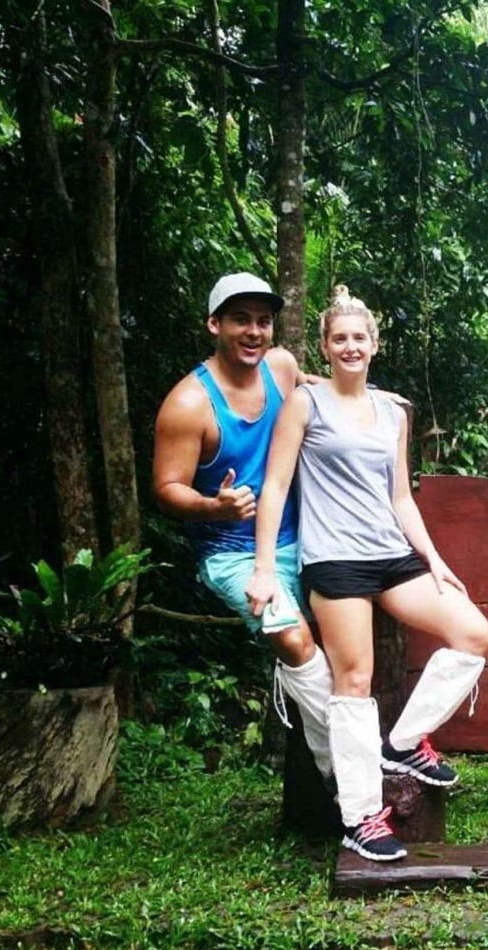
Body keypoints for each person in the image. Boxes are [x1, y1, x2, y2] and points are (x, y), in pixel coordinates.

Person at [249, 286, 488, 863]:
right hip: (334, 561)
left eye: (360, 337)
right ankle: (360, 817)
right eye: (340, 339)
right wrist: (264, 569)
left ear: (374, 345)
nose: (351, 346)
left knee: (474, 634)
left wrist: (434, 559)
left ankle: (405, 741)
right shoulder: (306, 406)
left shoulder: (392, 412)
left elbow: (401, 497)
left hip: (391, 556)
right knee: (353, 681)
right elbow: (276, 487)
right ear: (326, 348)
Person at [153, 273, 336, 790]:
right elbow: (167, 486)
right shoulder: (190, 403)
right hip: (233, 554)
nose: (254, 331)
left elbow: (318, 391)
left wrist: (376, 398)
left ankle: (336, 772)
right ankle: (346, 769)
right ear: (215, 324)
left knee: (347, 637)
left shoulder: (280, 367)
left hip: (303, 534)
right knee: (291, 638)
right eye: (241, 319)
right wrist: (216, 505)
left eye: (262, 320)